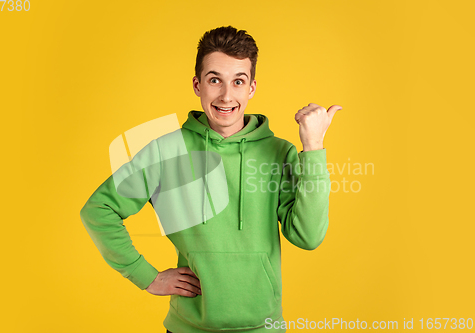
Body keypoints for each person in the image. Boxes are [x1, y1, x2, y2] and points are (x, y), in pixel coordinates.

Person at [80, 25, 342, 333]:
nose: (226, 96)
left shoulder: (278, 152)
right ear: (197, 84)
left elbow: (308, 236)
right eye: (215, 80)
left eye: (238, 82)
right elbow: (98, 210)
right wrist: (146, 276)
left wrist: (312, 148)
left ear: (252, 88)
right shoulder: (167, 151)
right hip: (187, 327)